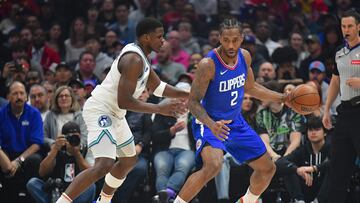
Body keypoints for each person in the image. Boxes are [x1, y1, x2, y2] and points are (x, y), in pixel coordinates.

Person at [56, 18, 189, 203]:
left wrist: (188, 95)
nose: (163, 40)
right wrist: (159, 108)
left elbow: (158, 87)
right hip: (101, 109)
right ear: (146, 37)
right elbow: (125, 100)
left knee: (129, 160)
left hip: (116, 113)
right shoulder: (133, 59)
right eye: (159, 36)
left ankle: (104, 200)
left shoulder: (142, 57)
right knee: (104, 164)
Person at [173, 19, 292, 203]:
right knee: (213, 165)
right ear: (219, 38)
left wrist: (282, 98)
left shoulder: (244, 57)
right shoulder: (208, 64)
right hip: (210, 122)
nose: (230, 45)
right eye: (226, 40)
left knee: (268, 168)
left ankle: (246, 201)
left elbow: (251, 88)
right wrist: (212, 125)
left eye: (235, 40)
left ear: (242, 38)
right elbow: (193, 103)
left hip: (235, 122)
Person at [322, 9, 360, 203]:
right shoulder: (339, 53)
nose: (346, 29)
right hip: (345, 113)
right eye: (343, 26)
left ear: (359, 26)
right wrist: (327, 109)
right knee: (338, 168)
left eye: (350, 26)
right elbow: (335, 82)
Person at [27, 121, 96, 203]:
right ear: (63, 137)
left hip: (76, 192)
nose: (72, 139)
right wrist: (55, 149)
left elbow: (91, 175)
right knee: (32, 183)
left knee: (91, 186)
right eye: (69, 137)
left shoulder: (84, 149)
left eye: (75, 136)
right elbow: (42, 172)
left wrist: (77, 153)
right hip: (57, 191)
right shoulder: (57, 149)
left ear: (80, 136)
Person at [0, 81, 44, 201]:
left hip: (26, 155)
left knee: (35, 159)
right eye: (15, 93)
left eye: (21, 93)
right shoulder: (1, 114)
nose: (19, 97)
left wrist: (19, 161)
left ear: (26, 96)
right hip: (6, 155)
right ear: (8, 96)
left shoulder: (34, 114)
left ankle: (30, 196)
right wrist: (8, 164)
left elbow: (37, 144)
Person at [277, 115, 330, 203]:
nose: (313, 133)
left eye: (317, 129)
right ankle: (299, 200)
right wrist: (297, 169)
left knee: (333, 170)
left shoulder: (332, 147)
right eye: (310, 130)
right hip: (306, 191)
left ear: (325, 132)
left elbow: (336, 163)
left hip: (326, 194)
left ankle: (318, 201)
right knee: (289, 169)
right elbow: (280, 163)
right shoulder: (304, 149)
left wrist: (313, 168)